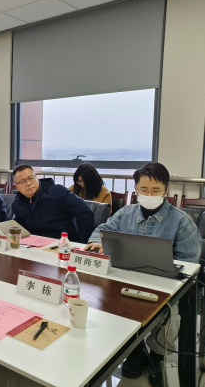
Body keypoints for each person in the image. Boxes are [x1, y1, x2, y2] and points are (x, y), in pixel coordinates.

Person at [84, 162, 201, 387]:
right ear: (136, 189)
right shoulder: (125, 213)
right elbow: (101, 231)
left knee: (171, 318)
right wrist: (98, 242)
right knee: (103, 299)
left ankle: (157, 356)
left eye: (156, 190)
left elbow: (188, 265)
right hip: (124, 277)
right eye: (144, 190)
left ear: (166, 190)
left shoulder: (182, 222)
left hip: (163, 284)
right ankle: (135, 349)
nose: (149, 195)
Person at [11, 165, 95, 243]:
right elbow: (21, 228)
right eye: (23, 181)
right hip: (34, 245)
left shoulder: (58, 192)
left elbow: (85, 214)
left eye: (31, 178)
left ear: (36, 178)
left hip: (63, 244)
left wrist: (81, 243)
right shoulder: (18, 203)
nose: (29, 183)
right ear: (17, 187)